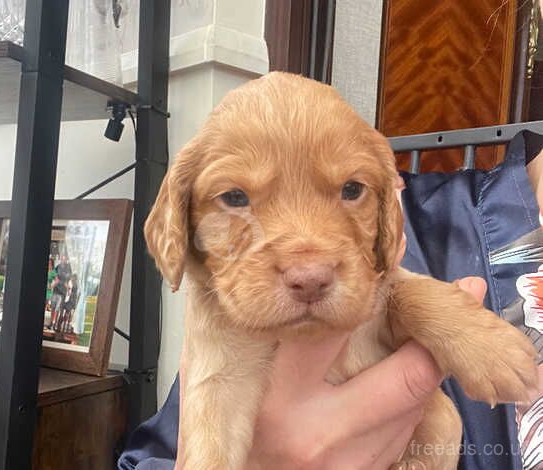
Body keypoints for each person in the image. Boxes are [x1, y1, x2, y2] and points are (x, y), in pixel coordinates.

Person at [119, 130, 543, 469]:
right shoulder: (427, 214)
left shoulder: (389, 222)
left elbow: (394, 286)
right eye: (235, 197)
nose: (308, 268)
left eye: (350, 190)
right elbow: (156, 453)